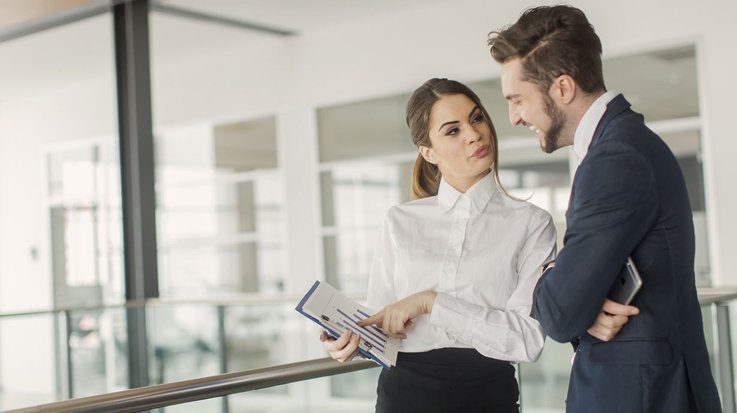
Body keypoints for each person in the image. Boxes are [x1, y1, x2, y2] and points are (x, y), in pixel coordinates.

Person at [488, 5, 722, 413]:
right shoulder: (620, 143)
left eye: (518, 99)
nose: (514, 117)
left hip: (642, 397)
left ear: (562, 88)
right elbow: (575, 305)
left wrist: (544, 274)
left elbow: (560, 314)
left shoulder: (615, 158)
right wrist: (581, 305)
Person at [320, 78, 556, 413]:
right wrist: (352, 340)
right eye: (452, 130)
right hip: (402, 397)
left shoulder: (531, 223)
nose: (474, 134)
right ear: (428, 152)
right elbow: (384, 324)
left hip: (488, 398)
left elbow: (526, 340)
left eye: (476, 118)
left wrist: (431, 302)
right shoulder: (399, 221)